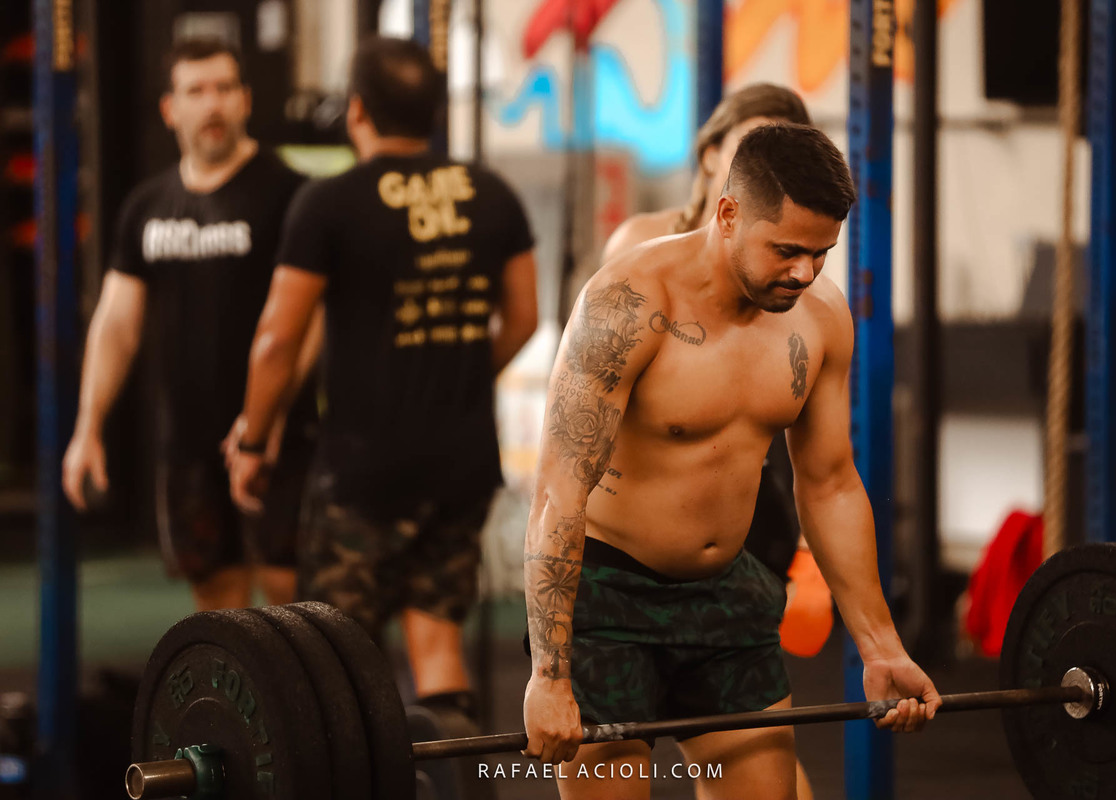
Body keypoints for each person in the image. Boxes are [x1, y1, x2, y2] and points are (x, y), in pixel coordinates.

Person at [522, 123, 940, 799]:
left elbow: (830, 484)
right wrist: (549, 673)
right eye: (787, 251)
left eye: (821, 253)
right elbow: (558, 494)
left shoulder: (820, 318)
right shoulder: (628, 304)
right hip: (606, 598)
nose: (804, 272)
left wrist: (882, 646)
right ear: (727, 214)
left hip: (725, 594)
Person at [227, 37, 539, 729]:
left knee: (338, 657)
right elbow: (524, 317)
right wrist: (463, 374)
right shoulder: (490, 194)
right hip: (460, 465)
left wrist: (252, 439)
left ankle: (361, 772)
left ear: (357, 111)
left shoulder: (330, 202)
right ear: (433, 112)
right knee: (437, 638)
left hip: (362, 472)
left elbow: (277, 337)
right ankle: (452, 774)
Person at [61, 38, 317, 611]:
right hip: (188, 445)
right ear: (170, 109)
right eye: (195, 91)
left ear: (246, 99)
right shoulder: (147, 207)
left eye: (224, 88)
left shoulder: (291, 195)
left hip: (279, 440)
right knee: (220, 613)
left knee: (293, 605)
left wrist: (266, 417)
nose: (212, 104)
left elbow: (312, 320)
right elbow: (117, 323)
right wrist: (88, 425)